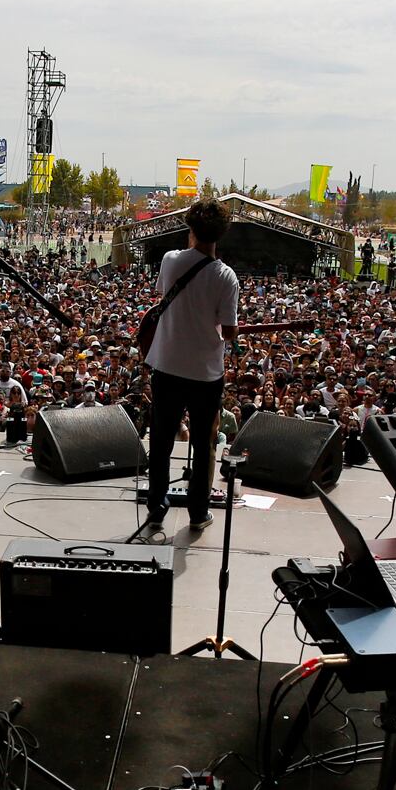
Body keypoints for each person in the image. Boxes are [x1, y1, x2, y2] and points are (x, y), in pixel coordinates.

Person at [138, 199, 239, 543]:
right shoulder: (226, 276)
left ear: (191, 229)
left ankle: (156, 507)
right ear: (221, 234)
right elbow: (228, 331)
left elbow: (165, 296)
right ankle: (198, 513)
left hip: (167, 367)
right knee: (204, 443)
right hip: (205, 374)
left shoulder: (170, 261)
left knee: (161, 440)